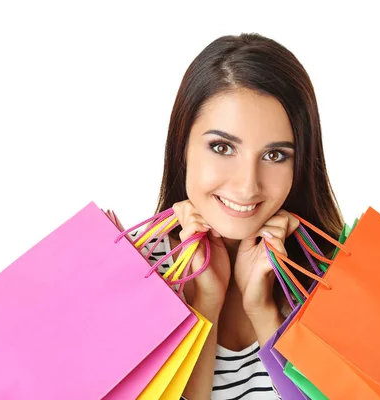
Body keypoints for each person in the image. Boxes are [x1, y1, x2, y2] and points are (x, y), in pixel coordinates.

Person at [107, 32, 344, 400]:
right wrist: (207, 304)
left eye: (275, 155)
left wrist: (263, 312)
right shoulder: (133, 276)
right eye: (222, 147)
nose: (248, 186)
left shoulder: (330, 278)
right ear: (182, 146)